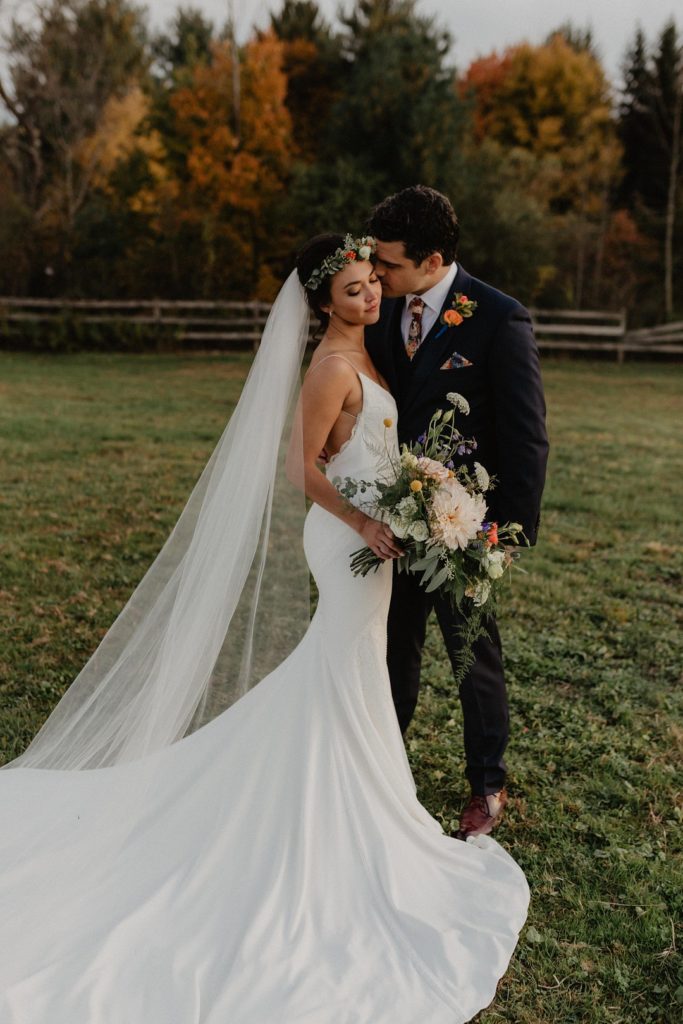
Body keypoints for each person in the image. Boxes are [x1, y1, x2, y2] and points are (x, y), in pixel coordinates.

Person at [0, 234, 529, 1023]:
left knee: (346, 672)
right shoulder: (328, 366)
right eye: (353, 291)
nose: (370, 297)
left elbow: (376, 445)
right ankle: (332, 817)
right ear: (323, 303)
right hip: (348, 539)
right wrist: (366, 519)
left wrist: (420, 498)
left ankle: (364, 803)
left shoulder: (371, 348)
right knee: (341, 667)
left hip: (376, 538)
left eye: (370, 284)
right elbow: (302, 467)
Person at [365, 185, 549, 841]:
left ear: (432, 257)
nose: (376, 273)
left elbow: (527, 436)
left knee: (471, 654)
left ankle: (486, 785)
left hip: (465, 525)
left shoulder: (499, 319)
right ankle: (384, 770)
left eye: (388, 263)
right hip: (395, 520)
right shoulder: (382, 311)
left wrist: (503, 529)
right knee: (394, 649)